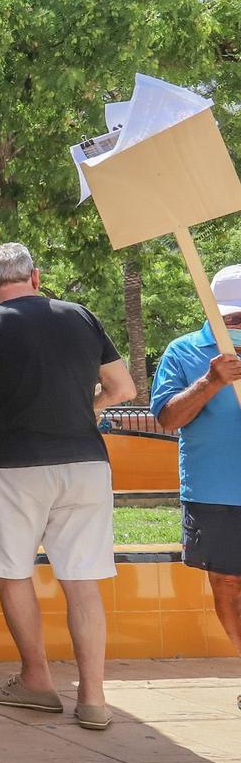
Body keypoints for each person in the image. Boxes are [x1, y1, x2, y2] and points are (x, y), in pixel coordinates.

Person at [0, 243, 133, 730]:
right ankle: (93, 699)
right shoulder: (81, 316)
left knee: (13, 572)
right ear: (35, 277)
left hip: (13, 466)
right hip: (86, 464)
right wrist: (83, 411)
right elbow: (123, 389)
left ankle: (37, 680)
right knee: (82, 582)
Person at [152, 263, 241, 711]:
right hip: (214, 493)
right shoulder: (184, 351)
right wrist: (211, 382)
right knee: (226, 582)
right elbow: (167, 418)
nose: (237, 328)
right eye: (231, 320)